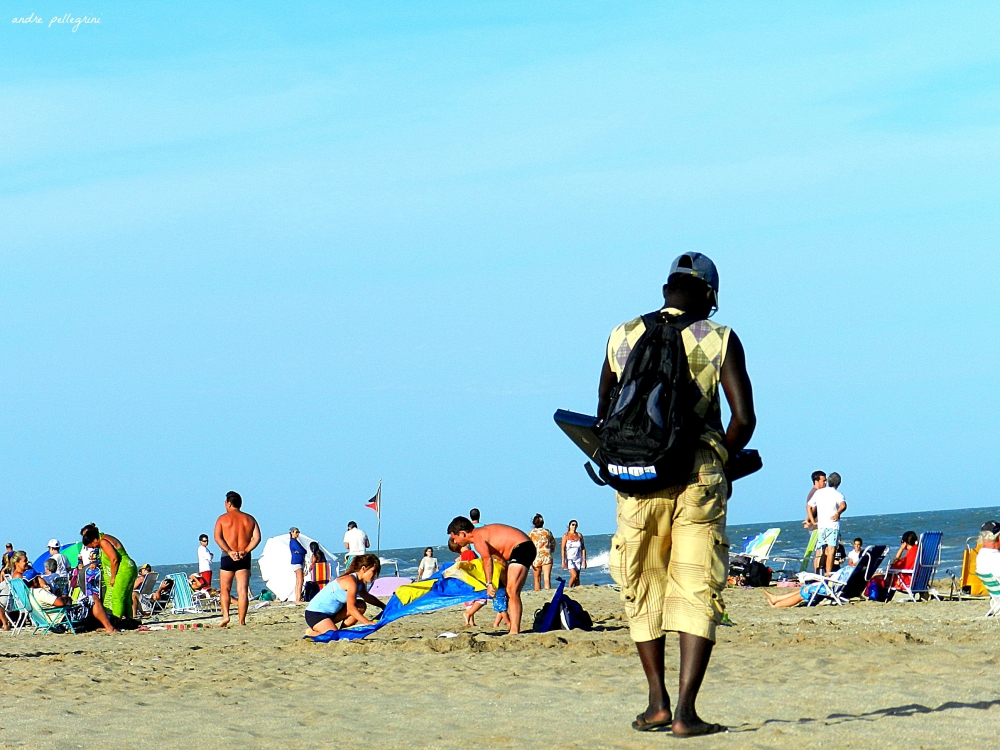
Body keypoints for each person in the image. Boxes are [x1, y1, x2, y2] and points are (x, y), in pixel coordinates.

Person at [596, 252, 755, 735]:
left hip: (635, 478)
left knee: (641, 583)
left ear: (666, 290)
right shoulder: (719, 338)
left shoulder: (622, 335)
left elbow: (604, 412)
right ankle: (686, 713)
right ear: (709, 294)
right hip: (697, 478)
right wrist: (721, 461)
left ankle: (656, 704)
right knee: (696, 585)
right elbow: (743, 420)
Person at [447, 517, 534, 635]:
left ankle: (514, 631)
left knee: (512, 591)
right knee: (510, 592)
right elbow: (499, 560)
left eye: (454, 537)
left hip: (522, 547)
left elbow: (487, 559)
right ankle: (513, 629)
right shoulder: (483, 536)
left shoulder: (478, 537)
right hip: (521, 548)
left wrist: (489, 584)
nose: (455, 541)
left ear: (462, 534)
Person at [213, 490, 262, 627]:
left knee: (225, 589)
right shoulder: (249, 519)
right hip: (244, 557)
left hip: (228, 556)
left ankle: (226, 616)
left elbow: (218, 537)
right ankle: (242, 621)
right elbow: (257, 538)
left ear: (228, 503)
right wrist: (245, 551)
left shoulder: (222, 519)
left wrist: (229, 551)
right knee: (242, 590)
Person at [303, 554, 384, 636]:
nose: (375, 576)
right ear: (363, 569)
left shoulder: (360, 583)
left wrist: (383, 606)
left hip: (332, 614)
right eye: (373, 571)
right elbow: (351, 608)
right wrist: (367, 623)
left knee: (360, 605)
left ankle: (342, 631)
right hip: (315, 614)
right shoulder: (351, 581)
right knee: (334, 636)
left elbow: (367, 597)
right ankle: (311, 633)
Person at [80, 523, 139, 619]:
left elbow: (114, 559)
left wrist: (113, 576)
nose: (94, 548)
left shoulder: (103, 542)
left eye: (93, 546)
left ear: (94, 539)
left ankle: (116, 620)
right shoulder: (106, 537)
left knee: (117, 597)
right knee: (126, 597)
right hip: (130, 567)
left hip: (124, 568)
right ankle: (129, 619)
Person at [762, 563, 855, 608]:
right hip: (837, 587)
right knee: (805, 588)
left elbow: (839, 581)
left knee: (804, 592)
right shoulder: (858, 573)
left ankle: (777, 605)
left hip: (833, 588)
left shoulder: (851, 571)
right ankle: (776, 598)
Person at [806, 472, 846, 574]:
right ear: (838, 483)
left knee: (821, 551)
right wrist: (838, 513)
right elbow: (843, 505)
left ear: (828, 481)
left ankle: (819, 573)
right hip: (832, 525)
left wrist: (812, 521)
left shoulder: (819, 493)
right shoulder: (838, 494)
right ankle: (828, 573)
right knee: (831, 550)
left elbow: (808, 506)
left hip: (822, 526)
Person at [528, 514, 555, 591]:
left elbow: (528, 546)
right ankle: (547, 593)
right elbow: (553, 544)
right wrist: (551, 550)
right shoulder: (547, 532)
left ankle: (537, 592)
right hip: (547, 556)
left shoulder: (531, 533)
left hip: (536, 557)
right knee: (547, 579)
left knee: (537, 579)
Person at [561, 520, 587, 587]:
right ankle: (569, 587)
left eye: (576, 525)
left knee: (577, 578)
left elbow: (583, 548)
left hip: (578, 558)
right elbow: (563, 549)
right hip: (570, 559)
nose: (574, 526)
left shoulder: (579, 535)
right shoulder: (565, 536)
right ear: (569, 526)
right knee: (574, 575)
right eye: (573, 524)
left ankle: (576, 590)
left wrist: (584, 560)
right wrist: (563, 561)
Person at [289, 527, 306, 604]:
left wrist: (300, 551)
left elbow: (303, 550)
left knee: (299, 581)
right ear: (292, 533)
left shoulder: (295, 541)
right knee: (300, 580)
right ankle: (298, 598)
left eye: (298, 532)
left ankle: (298, 598)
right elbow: (302, 550)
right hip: (297, 562)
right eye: (296, 532)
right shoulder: (293, 541)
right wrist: (300, 551)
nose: (298, 534)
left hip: (298, 562)